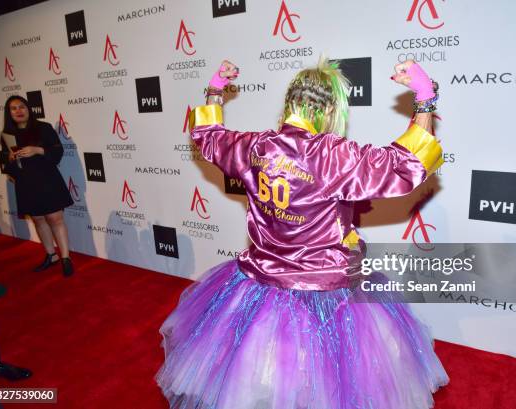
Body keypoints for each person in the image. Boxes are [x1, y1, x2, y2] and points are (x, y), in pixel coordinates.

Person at [156, 58, 448, 409]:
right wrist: (424, 98)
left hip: (261, 285)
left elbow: (208, 136)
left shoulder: (255, 147)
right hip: (326, 289)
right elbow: (408, 164)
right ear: (330, 111)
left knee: (261, 380)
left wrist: (216, 90)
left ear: (290, 103)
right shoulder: (334, 156)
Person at [0, 96, 74, 277]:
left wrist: (37, 150)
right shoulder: (6, 136)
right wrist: (9, 160)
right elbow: (7, 167)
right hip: (26, 183)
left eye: (21, 106)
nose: (18, 111)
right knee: (39, 220)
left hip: (47, 179)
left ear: (28, 109)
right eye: (13, 108)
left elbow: (58, 152)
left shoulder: (44, 128)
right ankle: (51, 255)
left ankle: (65, 258)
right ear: (9, 113)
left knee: (55, 218)